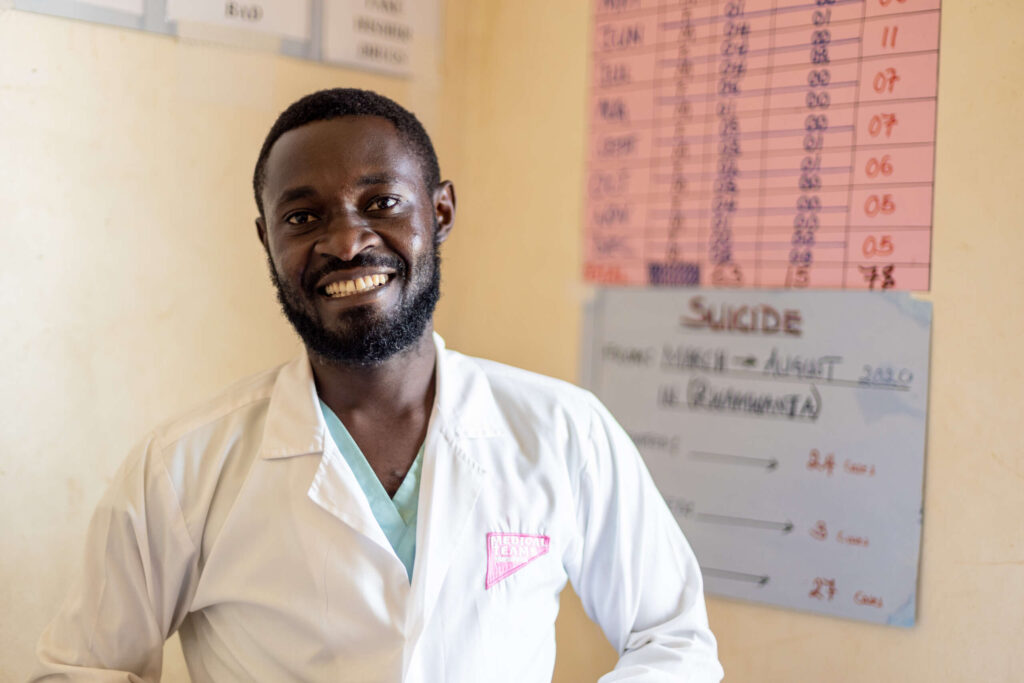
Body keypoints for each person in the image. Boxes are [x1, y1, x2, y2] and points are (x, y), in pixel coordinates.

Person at [33, 88, 723, 682]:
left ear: (441, 212)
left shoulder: (564, 428)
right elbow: (79, 667)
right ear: (267, 239)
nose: (346, 241)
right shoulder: (180, 467)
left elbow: (674, 640)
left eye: (381, 201)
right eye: (303, 217)